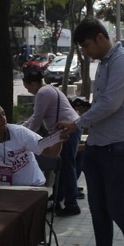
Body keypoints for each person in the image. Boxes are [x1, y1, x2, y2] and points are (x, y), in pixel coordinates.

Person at [56, 17, 124, 246]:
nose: (86, 52)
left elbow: (110, 104)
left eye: (87, 46)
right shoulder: (106, 63)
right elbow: (101, 104)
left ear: (100, 37)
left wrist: (77, 124)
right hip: (98, 145)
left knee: (117, 207)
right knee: (98, 209)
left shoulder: (123, 61)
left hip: (122, 146)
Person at [21, 68, 82, 216]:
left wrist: (23, 136)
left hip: (66, 131)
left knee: (66, 167)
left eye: (28, 87)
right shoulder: (49, 89)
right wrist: (22, 128)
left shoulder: (42, 93)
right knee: (62, 167)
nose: (28, 91)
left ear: (33, 83)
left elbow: (37, 119)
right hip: (68, 129)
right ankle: (56, 200)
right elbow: (35, 117)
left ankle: (72, 204)